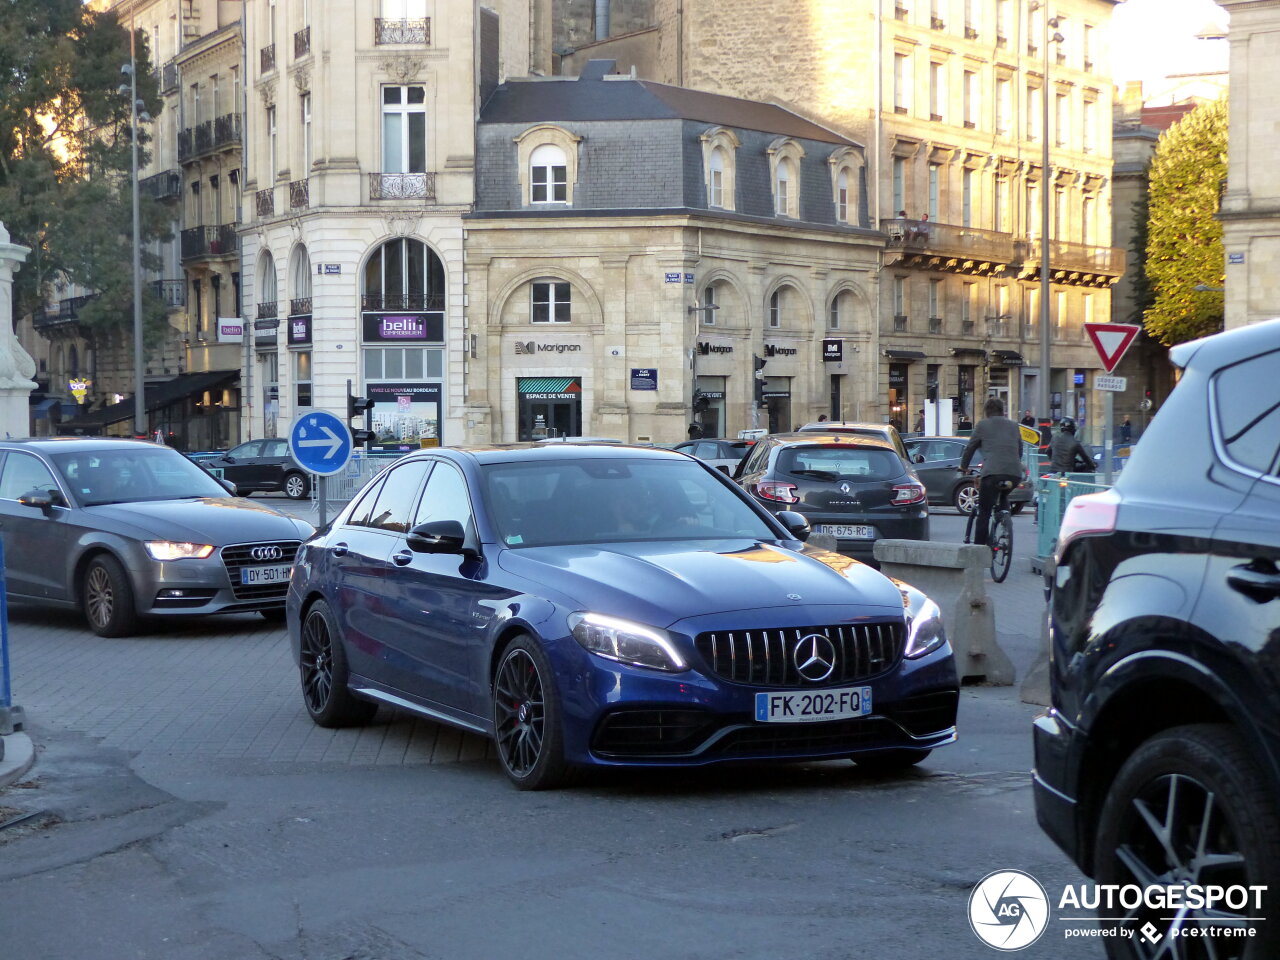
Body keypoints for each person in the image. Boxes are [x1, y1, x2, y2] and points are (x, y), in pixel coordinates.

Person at [959, 397, 1024, 546]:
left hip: (992, 474)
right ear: (1002, 411)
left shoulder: (982, 425)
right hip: (1014, 473)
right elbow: (1019, 449)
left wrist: (963, 467)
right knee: (1003, 495)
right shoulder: (1014, 425)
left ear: (987, 411)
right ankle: (1005, 522)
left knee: (984, 512)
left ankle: (980, 549)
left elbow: (970, 448)